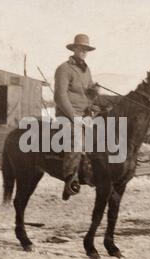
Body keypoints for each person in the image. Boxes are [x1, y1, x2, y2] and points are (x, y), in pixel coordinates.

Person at [54, 34, 99, 200]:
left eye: (86, 49)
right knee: (77, 137)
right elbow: (60, 97)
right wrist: (74, 117)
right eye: (81, 48)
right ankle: (70, 180)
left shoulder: (87, 70)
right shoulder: (64, 69)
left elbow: (88, 94)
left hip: (84, 114)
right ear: (74, 49)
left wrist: (94, 94)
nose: (84, 52)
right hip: (67, 115)